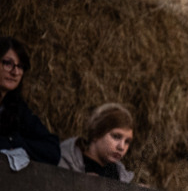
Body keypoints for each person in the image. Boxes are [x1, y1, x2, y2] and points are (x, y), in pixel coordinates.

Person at [0, 36, 59, 166]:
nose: (15, 72)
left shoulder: (16, 108)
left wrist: (13, 142)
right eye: (8, 63)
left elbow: (52, 150)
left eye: (20, 66)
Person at [59, 103, 135, 182]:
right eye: (116, 137)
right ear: (96, 134)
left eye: (127, 141)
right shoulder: (65, 162)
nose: (121, 147)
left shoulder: (120, 175)